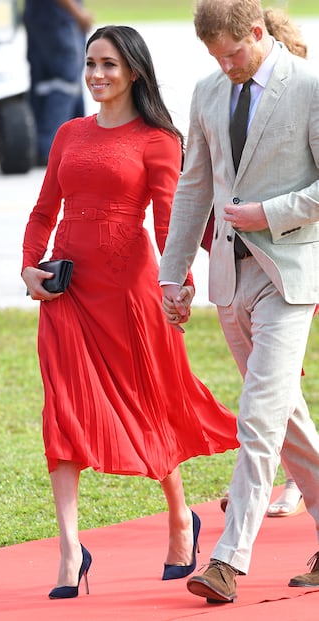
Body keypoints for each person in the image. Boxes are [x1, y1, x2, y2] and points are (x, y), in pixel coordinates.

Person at [21, 24, 239, 599]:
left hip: (130, 292)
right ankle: (70, 550)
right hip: (67, 291)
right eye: (91, 63)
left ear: (134, 72)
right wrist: (28, 267)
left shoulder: (159, 139)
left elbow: (173, 221)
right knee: (63, 409)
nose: (96, 74)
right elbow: (45, 210)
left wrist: (180, 287)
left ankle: (178, 518)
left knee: (149, 402)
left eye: (109, 65)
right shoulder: (69, 132)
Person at [159, 0, 319, 604]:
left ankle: (228, 559)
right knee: (287, 418)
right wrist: (172, 276)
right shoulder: (207, 90)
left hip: (291, 275)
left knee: (257, 414)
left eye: (233, 53)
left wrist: (270, 215)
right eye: (213, 56)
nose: (225, 65)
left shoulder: (308, 86)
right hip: (229, 277)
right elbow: (194, 186)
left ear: (258, 33)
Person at [216, 6, 309, 519]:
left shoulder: (302, 89)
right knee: (276, 383)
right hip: (247, 262)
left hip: (298, 257)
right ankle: (292, 477)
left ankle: (264, 487)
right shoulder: (226, 94)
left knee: (271, 386)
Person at [23, 0, 94, 166]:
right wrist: (78, 13)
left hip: (40, 16)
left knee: (43, 83)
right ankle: (54, 148)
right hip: (59, 17)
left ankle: (47, 146)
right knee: (65, 82)